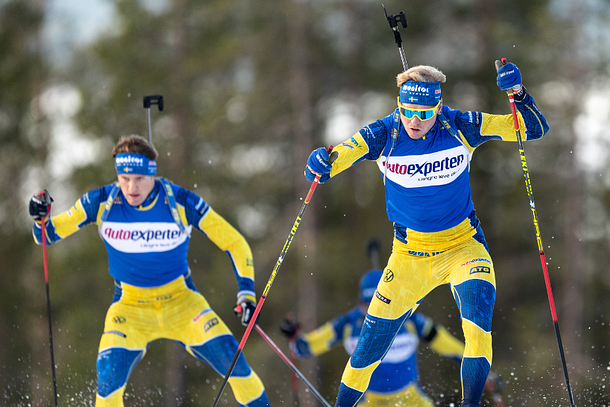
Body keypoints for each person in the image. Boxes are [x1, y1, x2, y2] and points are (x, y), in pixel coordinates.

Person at [303, 62, 549, 407]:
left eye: (423, 112)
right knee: (367, 349)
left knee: (477, 329)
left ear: (438, 106)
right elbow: (341, 154)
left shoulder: (461, 125)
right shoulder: (384, 133)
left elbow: (534, 128)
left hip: (464, 247)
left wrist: (518, 95)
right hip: (409, 257)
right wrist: (322, 163)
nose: (414, 120)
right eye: (407, 111)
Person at [29, 135, 270, 407]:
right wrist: (40, 217)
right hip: (130, 308)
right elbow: (47, 236)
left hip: (182, 303)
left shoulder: (179, 201)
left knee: (234, 362)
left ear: (153, 174)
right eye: (125, 178)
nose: (131, 187)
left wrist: (246, 294)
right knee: (107, 381)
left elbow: (234, 242)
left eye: (140, 178)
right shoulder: (101, 202)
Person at [280, 269, 466, 407]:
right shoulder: (347, 324)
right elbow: (305, 348)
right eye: (365, 305)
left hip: (410, 398)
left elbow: (445, 343)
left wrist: (474, 363)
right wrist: (293, 335)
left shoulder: (409, 318)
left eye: (376, 305)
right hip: (369, 401)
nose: (371, 311)